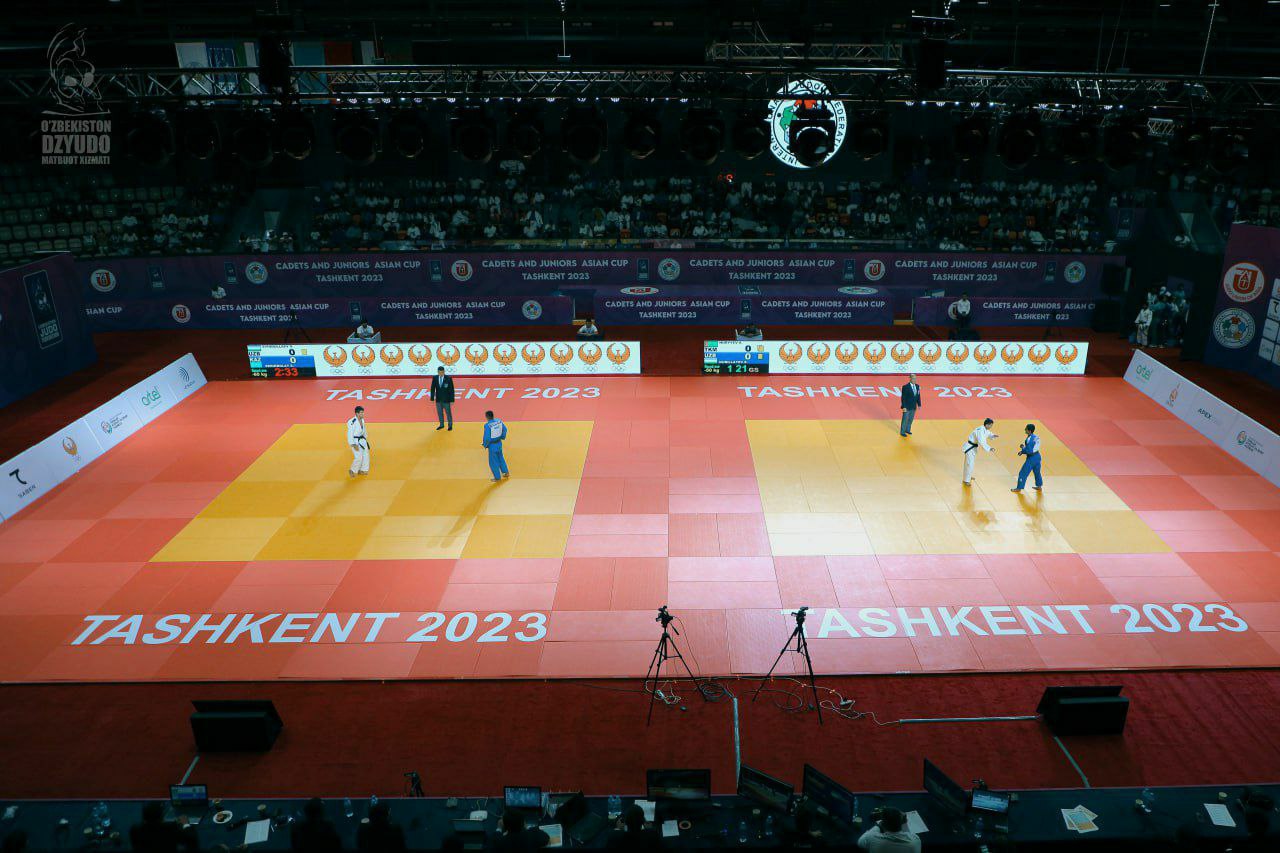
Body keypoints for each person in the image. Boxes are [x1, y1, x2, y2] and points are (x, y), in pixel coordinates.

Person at [129, 802, 196, 853]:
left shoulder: (135, 830)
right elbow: (191, 840)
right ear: (161, 816)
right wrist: (186, 824)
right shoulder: (170, 829)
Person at [961, 418, 998, 487]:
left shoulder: (984, 429)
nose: (991, 427)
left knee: (970, 463)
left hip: (973, 448)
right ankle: (966, 480)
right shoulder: (980, 430)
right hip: (970, 448)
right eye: (990, 425)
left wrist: (993, 436)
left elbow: (988, 434)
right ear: (987, 424)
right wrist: (989, 448)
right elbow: (982, 441)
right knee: (969, 464)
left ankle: (968, 476)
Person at [1012, 423, 1043, 492]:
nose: (1025, 430)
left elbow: (1029, 451)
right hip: (1038, 456)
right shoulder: (1036, 437)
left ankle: (1019, 488)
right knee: (1037, 472)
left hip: (1032, 458)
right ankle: (1039, 486)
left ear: (1029, 431)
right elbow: (1032, 447)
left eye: (1026, 429)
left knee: (1023, 473)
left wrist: (1022, 450)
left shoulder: (1029, 439)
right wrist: (1024, 448)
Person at [483, 410, 510, 482]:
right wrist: (502, 437)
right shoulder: (499, 421)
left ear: (486, 417)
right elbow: (505, 429)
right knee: (501, 458)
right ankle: (506, 472)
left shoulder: (487, 425)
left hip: (492, 445)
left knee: (493, 462)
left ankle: (497, 477)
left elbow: (487, 438)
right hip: (499, 443)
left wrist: (485, 445)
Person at [347, 406, 371, 478]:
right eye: (361, 412)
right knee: (358, 457)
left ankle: (363, 469)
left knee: (365, 455)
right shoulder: (353, 422)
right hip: (355, 441)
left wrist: (365, 438)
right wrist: (353, 444)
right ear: (357, 413)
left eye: (363, 412)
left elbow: (364, 430)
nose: (363, 414)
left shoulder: (362, 420)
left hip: (362, 440)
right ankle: (352, 470)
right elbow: (349, 433)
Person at [430, 366, 455, 431]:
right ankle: (441, 425)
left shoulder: (448, 378)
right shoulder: (435, 378)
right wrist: (432, 398)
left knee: (448, 413)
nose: (441, 374)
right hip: (438, 400)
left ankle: (450, 425)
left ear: (444, 372)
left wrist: (452, 400)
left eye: (442, 372)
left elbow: (451, 390)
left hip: (446, 400)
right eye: (439, 372)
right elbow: (432, 388)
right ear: (437, 372)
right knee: (440, 413)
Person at [900, 373, 923, 437]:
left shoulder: (917, 386)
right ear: (910, 379)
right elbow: (903, 398)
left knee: (910, 419)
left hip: (913, 406)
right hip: (907, 406)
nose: (914, 380)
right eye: (913, 378)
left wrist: (919, 404)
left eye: (915, 378)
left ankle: (907, 430)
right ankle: (902, 432)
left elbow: (918, 396)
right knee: (905, 419)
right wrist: (904, 407)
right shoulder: (905, 387)